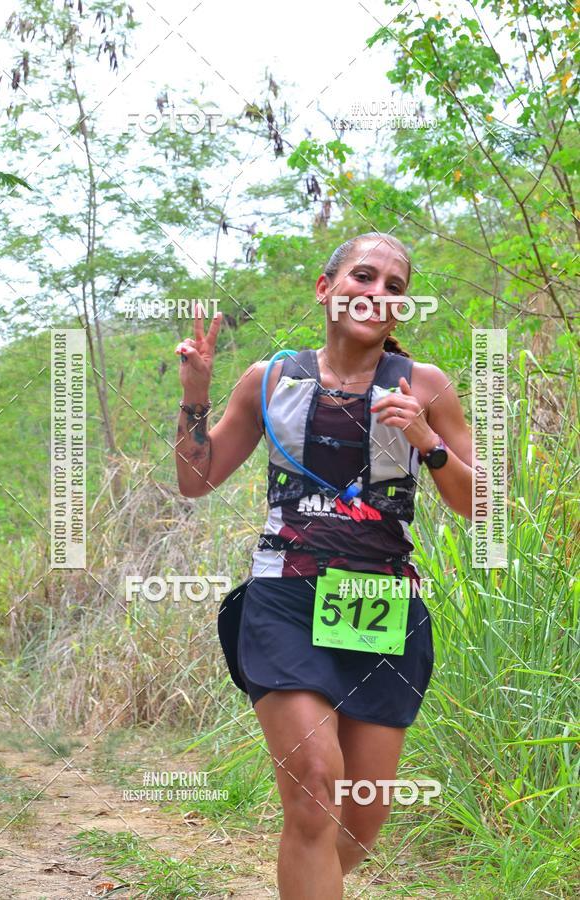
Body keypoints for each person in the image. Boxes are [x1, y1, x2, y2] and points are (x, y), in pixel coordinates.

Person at [175, 232, 473, 899]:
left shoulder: (425, 386)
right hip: (284, 597)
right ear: (325, 287)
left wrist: (426, 441)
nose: (377, 293)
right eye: (363, 277)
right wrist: (195, 392)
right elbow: (197, 479)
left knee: (357, 824)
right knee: (314, 788)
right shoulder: (273, 378)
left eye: (394, 287)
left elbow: (480, 503)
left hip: (380, 604)